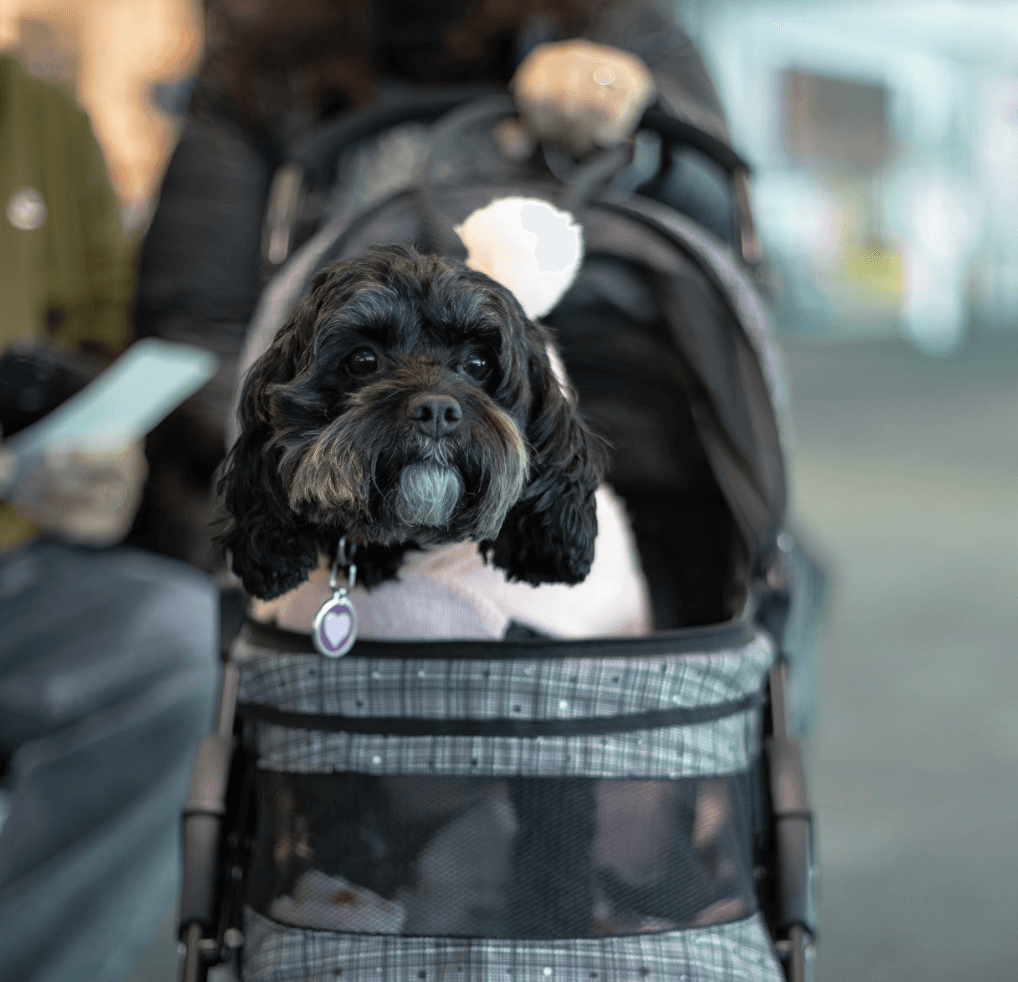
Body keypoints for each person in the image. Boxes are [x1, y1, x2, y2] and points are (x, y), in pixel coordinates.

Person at [132, 0, 745, 572]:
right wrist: (305, 466)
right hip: (328, 486)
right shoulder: (260, 53)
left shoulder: (621, 23)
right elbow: (196, 319)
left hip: (632, 471)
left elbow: (723, 232)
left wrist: (637, 122)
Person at [0, 51, 218, 982]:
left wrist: (101, 466)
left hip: (21, 570)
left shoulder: (46, 119)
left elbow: (97, 349)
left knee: (180, 639)